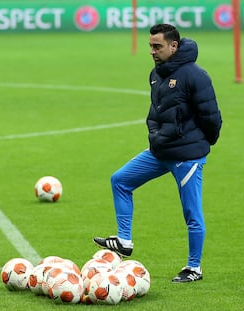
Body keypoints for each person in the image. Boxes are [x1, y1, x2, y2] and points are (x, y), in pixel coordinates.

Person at [94, 23, 222, 283]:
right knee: (120, 180)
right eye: (150, 46)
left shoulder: (196, 75)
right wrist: (155, 136)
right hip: (161, 151)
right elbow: (155, 113)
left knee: (192, 213)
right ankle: (124, 241)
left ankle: (193, 268)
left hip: (187, 156)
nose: (152, 51)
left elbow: (212, 118)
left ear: (173, 46)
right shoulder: (156, 74)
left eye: (157, 46)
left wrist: (197, 146)